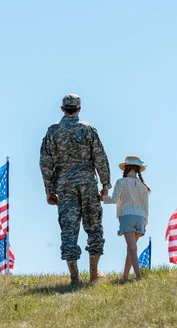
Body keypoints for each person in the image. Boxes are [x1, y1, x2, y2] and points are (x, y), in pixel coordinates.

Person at [39, 94, 111, 284]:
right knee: (94, 227)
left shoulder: (53, 132)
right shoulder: (88, 130)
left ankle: (74, 277)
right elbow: (100, 158)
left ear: (63, 109)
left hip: (65, 186)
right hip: (88, 184)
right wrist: (105, 185)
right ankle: (94, 274)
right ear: (79, 109)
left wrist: (49, 190)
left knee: (69, 231)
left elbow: (45, 163)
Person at [102, 156, 150, 281]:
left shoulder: (120, 182)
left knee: (132, 248)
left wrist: (101, 198)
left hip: (126, 216)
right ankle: (125, 276)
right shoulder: (144, 186)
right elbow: (146, 207)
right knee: (131, 248)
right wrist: (145, 222)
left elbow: (114, 200)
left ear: (125, 168)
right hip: (141, 218)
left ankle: (138, 276)